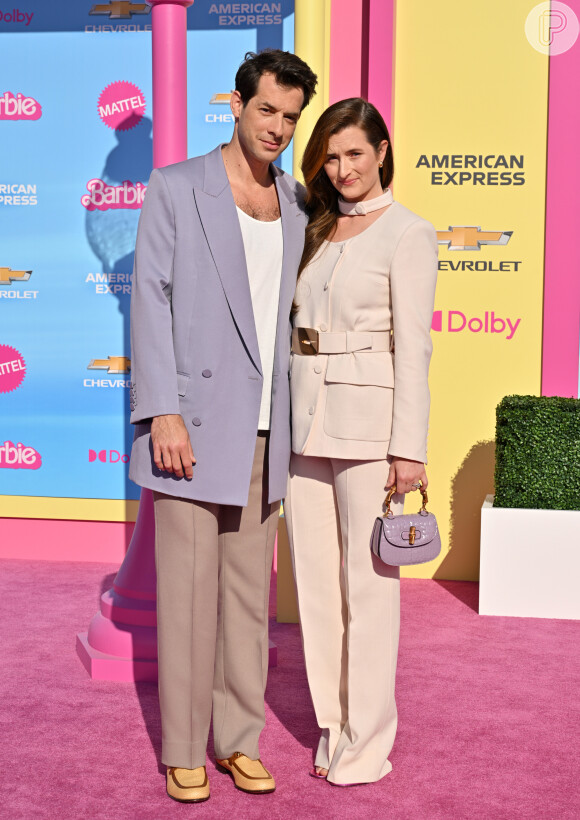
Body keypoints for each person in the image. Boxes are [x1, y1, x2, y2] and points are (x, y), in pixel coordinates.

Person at [128, 50, 317, 803]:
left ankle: (238, 740)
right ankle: (182, 747)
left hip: (268, 432)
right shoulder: (178, 187)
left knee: (247, 602)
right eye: (267, 110)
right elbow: (149, 298)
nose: (277, 127)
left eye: (291, 117)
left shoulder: (299, 202)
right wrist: (162, 409)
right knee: (186, 596)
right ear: (236, 105)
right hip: (192, 427)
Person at [284, 98, 438, 786]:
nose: (343, 168)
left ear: (381, 150)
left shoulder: (408, 232)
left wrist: (410, 447)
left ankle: (369, 743)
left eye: (354, 153)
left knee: (368, 590)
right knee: (315, 591)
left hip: (370, 427)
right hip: (302, 420)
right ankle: (334, 727)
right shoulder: (313, 228)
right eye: (332, 155)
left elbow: (416, 347)